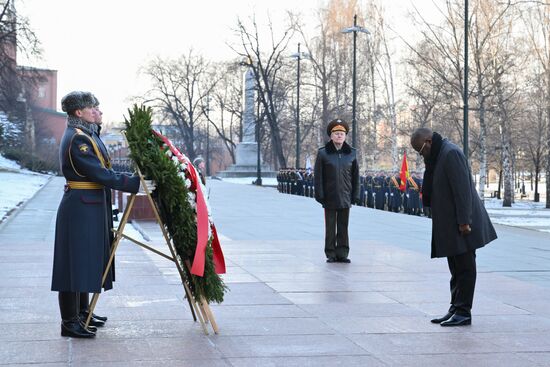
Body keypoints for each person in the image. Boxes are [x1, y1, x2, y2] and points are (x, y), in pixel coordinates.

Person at [51, 91, 153, 338]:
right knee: (73, 263)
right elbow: (99, 173)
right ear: (79, 112)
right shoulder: (78, 139)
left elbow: (105, 168)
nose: (99, 112)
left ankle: (83, 313)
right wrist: (133, 184)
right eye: (93, 109)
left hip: (91, 205)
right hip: (81, 206)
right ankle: (69, 322)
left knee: (84, 260)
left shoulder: (87, 134)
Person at [410, 127, 497, 326]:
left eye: (421, 149)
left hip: (462, 223)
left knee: (465, 267)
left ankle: (464, 311)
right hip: (451, 223)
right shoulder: (438, 155)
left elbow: (463, 191)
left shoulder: (450, 154)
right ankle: (455, 307)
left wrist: (464, 222)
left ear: (429, 141)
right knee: (455, 267)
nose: (421, 154)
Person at [314, 118, 360, 263]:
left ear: (345, 136)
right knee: (330, 226)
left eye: (342, 133)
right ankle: (331, 253)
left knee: (343, 226)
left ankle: (342, 253)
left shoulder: (351, 153)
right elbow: (318, 176)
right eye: (336, 133)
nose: (339, 136)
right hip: (330, 196)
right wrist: (320, 194)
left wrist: (355, 195)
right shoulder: (323, 154)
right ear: (331, 136)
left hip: (346, 195)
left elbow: (356, 177)